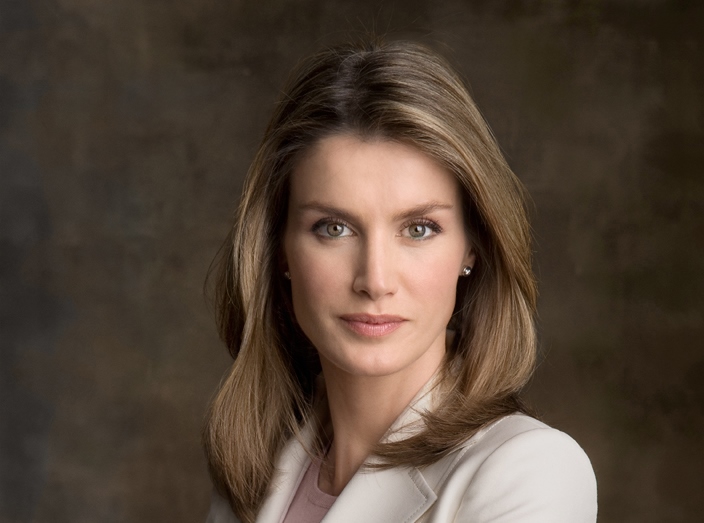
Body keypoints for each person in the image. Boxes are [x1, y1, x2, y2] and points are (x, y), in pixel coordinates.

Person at [203, 39, 597, 523]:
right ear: (279, 248)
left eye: (419, 229)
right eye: (334, 228)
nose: (375, 280)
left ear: (471, 247)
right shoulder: (254, 471)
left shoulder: (529, 470)